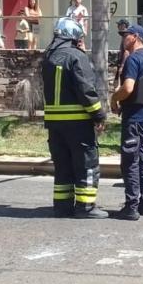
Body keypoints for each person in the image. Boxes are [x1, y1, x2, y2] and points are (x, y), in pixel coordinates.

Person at [42, 17, 108, 219]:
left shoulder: (48, 57)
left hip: (55, 125)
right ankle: (85, 207)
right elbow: (85, 89)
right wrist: (98, 115)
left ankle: (62, 206)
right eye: (79, 39)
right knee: (86, 164)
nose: (81, 43)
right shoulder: (76, 57)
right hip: (78, 124)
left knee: (63, 166)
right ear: (73, 37)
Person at [110, 23, 143, 220]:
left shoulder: (133, 60)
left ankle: (131, 206)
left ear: (136, 37)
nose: (123, 38)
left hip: (134, 117)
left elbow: (128, 88)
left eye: (126, 35)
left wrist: (114, 98)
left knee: (130, 161)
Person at [113, 19, 132, 90]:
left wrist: (122, 65)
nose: (118, 27)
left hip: (126, 63)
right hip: (122, 61)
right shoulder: (124, 35)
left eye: (119, 25)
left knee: (124, 83)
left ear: (123, 26)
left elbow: (126, 52)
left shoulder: (127, 36)